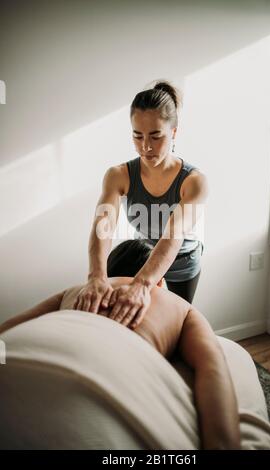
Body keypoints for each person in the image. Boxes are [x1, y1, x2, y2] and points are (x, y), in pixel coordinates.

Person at [0, 240, 240, 450]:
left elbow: (6, 331)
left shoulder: (76, 292)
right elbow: (212, 367)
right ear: (160, 281)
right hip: (99, 387)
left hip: (19, 354)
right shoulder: (180, 306)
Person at [73, 79, 208, 327]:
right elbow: (103, 225)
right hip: (142, 259)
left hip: (181, 264)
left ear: (174, 132)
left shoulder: (194, 181)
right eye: (138, 136)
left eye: (156, 136)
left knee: (174, 327)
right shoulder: (118, 175)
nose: (145, 147)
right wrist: (95, 276)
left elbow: (173, 234)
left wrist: (142, 284)